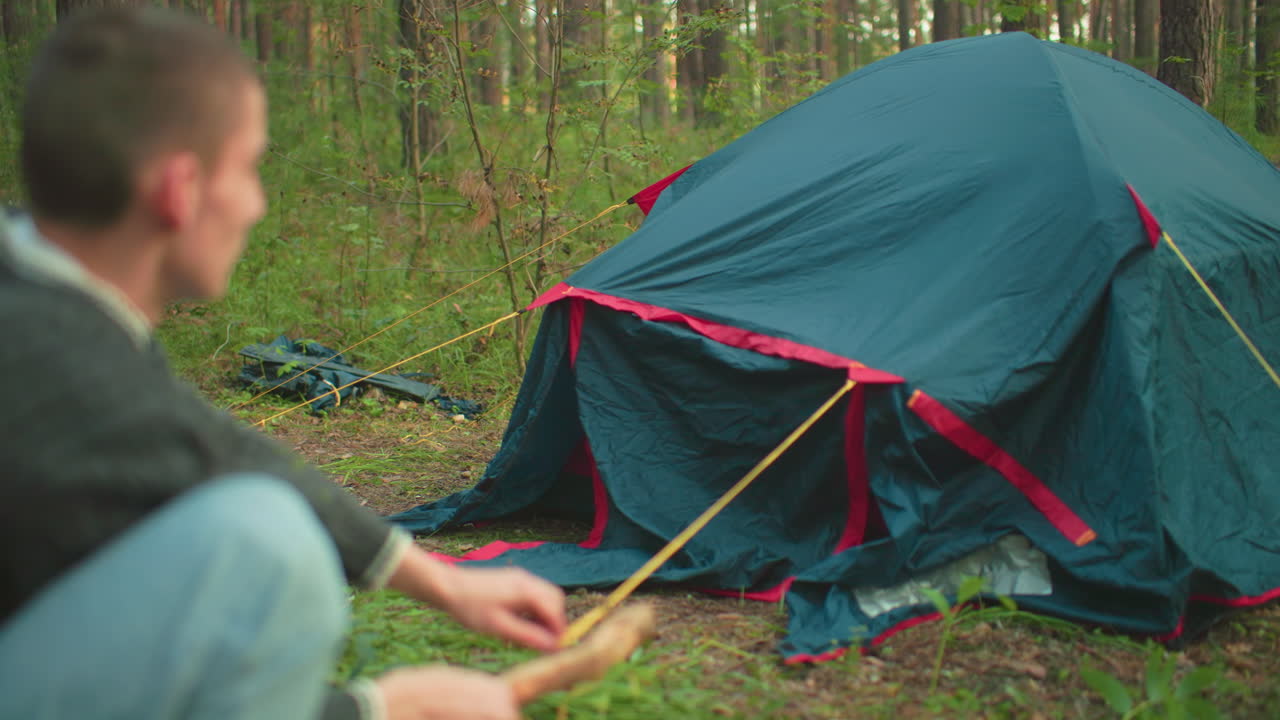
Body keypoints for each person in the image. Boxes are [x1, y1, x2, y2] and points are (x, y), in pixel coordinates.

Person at [0, 7, 566, 720]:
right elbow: (208, 461)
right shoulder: (61, 367)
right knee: (270, 542)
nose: (258, 203)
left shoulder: (35, 290)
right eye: (249, 168)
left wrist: (441, 583)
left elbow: (209, 447)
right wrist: (383, 708)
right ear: (180, 191)